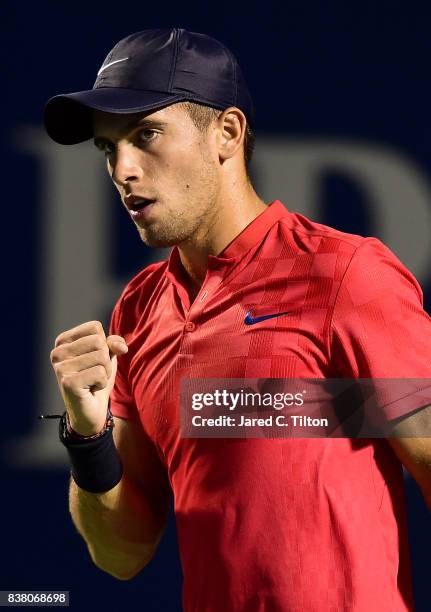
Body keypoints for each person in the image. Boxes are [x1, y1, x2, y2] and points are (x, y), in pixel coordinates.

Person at [44, 28, 431, 612]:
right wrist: (87, 437)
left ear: (226, 133)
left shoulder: (346, 274)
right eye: (107, 148)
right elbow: (123, 554)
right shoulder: (139, 309)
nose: (123, 168)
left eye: (146, 135)